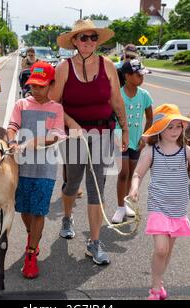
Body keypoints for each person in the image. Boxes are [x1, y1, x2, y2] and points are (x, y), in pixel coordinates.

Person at [49, 19, 129, 265]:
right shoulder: (64, 68)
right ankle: (67, 217)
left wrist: (125, 129)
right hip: (74, 135)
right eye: (82, 38)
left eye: (93, 37)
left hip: (103, 132)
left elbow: (116, 99)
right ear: (74, 41)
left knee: (96, 186)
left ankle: (94, 243)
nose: (88, 42)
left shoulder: (107, 66)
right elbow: (53, 104)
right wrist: (72, 124)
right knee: (72, 183)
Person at [128, 104, 190, 300]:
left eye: (178, 126)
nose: (174, 131)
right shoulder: (151, 151)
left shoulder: (186, 151)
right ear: (159, 129)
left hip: (178, 208)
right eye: (169, 127)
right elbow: (138, 174)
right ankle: (156, 287)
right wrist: (134, 188)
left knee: (167, 251)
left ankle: (159, 281)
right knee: (161, 248)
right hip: (158, 205)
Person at [7, 61, 65, 279]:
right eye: (33, 85)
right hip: (21, 168)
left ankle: (31, 254)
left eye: (41, 86)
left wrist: (30, 143)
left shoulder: (57, 108)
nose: (36, 90)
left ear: (51, 84)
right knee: (25, 210)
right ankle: (33, 236)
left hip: (45, 168)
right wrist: (12, 142)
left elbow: (55, 136)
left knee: (39, 211)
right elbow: (12, 127)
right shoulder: (22, 104)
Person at [112, 59, 153, 224]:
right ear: (127, 76)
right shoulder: (117, 95)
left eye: (143, 75)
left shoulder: (144, 95)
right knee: (122, 173)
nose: (142, 78)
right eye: (138, 75)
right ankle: (120, 207)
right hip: (119, 139)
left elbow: (150, 118)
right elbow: (110, 117)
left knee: (131, 173)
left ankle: (127, 203)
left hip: (136, 140)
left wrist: (145, 136)